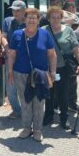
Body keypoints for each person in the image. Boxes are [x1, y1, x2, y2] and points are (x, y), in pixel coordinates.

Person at [8, 8, 57, 142]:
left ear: (38, 20)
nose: (31, 20)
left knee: (39, 102)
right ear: (24, 19)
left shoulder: (45, 34)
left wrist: (52, 72)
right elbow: (12, 54)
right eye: (29, 17)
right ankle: (26, 128)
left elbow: (52, 55)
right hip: (21, 74)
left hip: (40, 75)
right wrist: (10, 71)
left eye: (34, 17)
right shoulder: (17, 34)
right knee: (25, 102)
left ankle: (37, 130)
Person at [42, 6, 79, 130]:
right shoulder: (43, 30)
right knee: (48, 93)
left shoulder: (68, 30)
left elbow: (76, 49)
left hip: (64, 67)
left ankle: (64, 118)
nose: (55, 20)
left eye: (58, 17)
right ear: (48, 19)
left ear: (61, 18)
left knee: (63, 94)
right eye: (52, 18)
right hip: (47, 68)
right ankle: (48, 116)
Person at [2, 0, 27, 119]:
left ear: (24, 11)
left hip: (24, 59)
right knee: (10, 86)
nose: (15, 13)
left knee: (24, 86)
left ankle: (27, 110)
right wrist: (8, 50)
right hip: (10, 58)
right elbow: (3, 37)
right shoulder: (7, 21)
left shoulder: (30, 22)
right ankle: (17, 110)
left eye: (18, 10)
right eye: (13, 10)